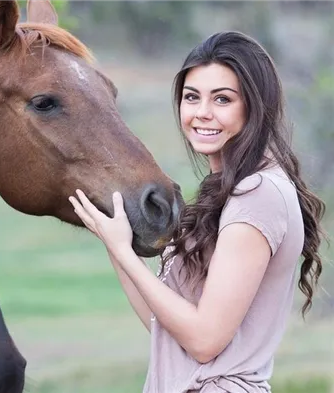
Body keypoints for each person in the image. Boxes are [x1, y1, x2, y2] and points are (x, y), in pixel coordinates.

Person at [68, 31, 327, 393]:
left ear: (254, 106)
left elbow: (205, 341)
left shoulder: (258, 193)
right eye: (192, 97)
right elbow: (165, 328)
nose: (202, 113)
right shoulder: (231, 189)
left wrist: (125, 252)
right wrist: (115, 245)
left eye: (222, 99)